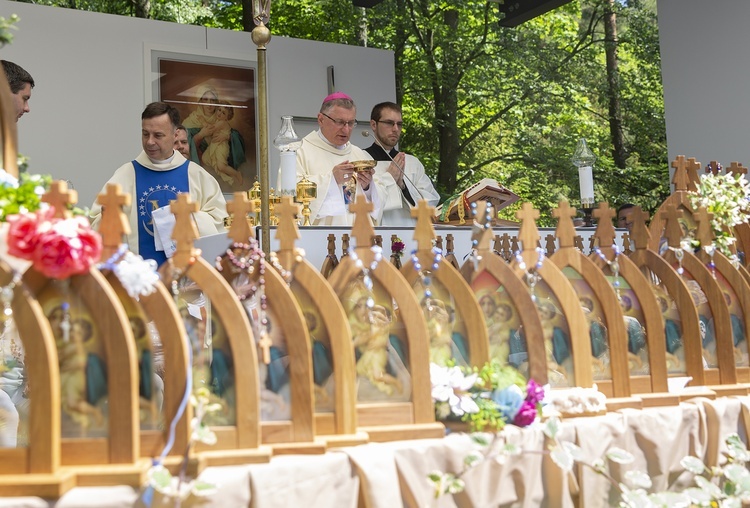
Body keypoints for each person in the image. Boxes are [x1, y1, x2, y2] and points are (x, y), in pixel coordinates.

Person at [89, 102, 227, 265]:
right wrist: (107, 217)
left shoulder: (197, 176)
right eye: (145, 134)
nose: (149, 142)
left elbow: (219, 224)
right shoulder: (125, 175)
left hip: (187, 279)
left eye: (158, 135)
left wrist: (187, 218)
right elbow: (95, 224)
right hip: (139, 279)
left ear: (175, 135)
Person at [293, 92, 386, 225]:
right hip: (322, 239)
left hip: (360, 236)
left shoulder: (360, 155)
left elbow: (380, 198)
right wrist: (331, 180)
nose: (346, 129)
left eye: (351, 123)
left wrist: (368, 187)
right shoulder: (300, 152)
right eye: (340, 122)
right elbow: (290, 194)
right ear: (321, 120)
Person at [365, 102, 440, 226]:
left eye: (399, 124)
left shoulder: (412, 163)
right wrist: (389, 179)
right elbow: (357, 201)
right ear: (373, 124)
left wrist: (404, 187)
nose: (395, 129)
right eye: (389, 123)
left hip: (411, 233)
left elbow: (431, 200)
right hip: (376, 234)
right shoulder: (361, 160)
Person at [201, 102, 243, 186]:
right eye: (219, 110)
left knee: (221, 166)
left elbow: (211, 129)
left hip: (221, 147)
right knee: (205, 158)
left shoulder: (222, 123)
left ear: (227, 117)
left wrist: (202, 121)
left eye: (223, 113)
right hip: (215, 145)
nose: (220, 113)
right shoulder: (218, 120)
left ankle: (236, 174)